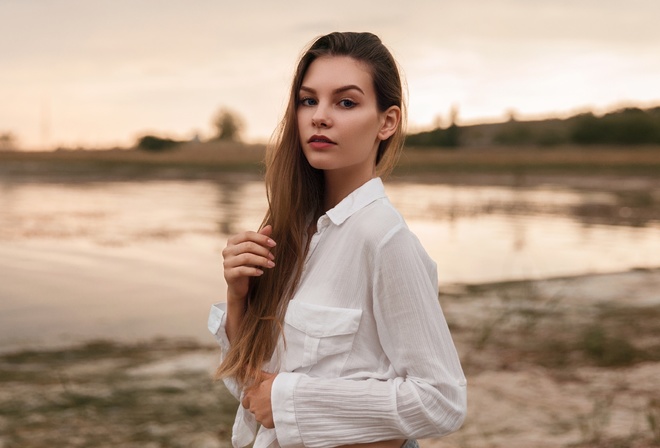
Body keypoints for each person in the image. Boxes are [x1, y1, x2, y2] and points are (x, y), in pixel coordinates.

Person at [208, 31, 467, 448]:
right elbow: (253, 393)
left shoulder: (384, 238)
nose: (319, 117)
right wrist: (238, 296)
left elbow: (442, 400)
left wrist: (292, 397)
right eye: (309, 100)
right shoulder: (293, 232)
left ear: (387, 121)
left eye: (345, 102)